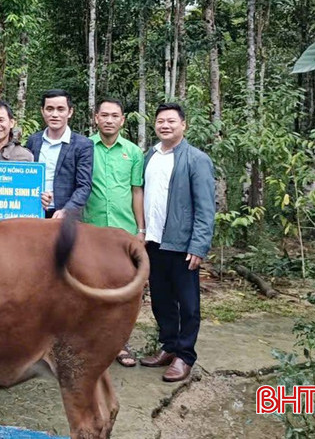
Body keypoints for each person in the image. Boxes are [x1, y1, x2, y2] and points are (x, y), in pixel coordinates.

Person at [138, 103, 215, 382]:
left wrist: (199, 245)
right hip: (154, 241)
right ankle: (169, 346)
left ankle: (185, 356)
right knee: (160, 299)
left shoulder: (196, 159)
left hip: (182, 245)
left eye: (171, 121)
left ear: (184, 124)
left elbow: (206, 207)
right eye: (160, 121)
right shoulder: (150, 155)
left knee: (188, 303)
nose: (165, 126)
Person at [82, 98, 146, 368]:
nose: (109, 120)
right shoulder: (84, 147)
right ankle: (88, 341)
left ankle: (119, 343)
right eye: (104, 115)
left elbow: (136, 191)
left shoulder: (133, 152)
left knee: (124, 289)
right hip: (90, 231)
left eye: (114, 116)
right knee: (88, 286)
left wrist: (140, 229)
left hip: (123, 231)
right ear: (95, 118)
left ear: (122, 120)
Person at [25, 89, 93, 218]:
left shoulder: (83, 145)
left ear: (70, 112)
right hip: (33, 213)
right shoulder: (33, 141)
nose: (54, 114)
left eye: (60, 109)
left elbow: (84, 186)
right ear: (42, 111)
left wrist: (66, 210)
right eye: (49, 109)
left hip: (65, 217)